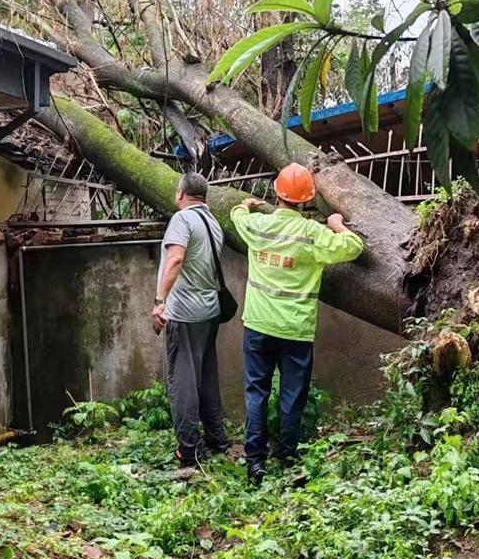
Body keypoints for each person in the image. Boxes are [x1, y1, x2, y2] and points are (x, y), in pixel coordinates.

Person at [230, 162, 363, 484]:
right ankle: (288, 456)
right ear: (306, 200)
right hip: (295, 330)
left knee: (256, 392)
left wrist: (244, 205)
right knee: (292, 395)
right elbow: (354, 247)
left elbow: (237, 218)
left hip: (258, 325)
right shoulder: (312, 233)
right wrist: (336, 223)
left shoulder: (258, 226)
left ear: (277, 193)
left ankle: (255, 463)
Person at [152, 172, 229, 467]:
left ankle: (189, 449)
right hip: (209, 312)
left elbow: (175, 259)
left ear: (181, 193)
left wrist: (160, 302)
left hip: (184, 314)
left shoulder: (182, 220)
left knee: (182, 380)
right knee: (207, 376)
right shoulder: (212, 222)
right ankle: (217, 439)